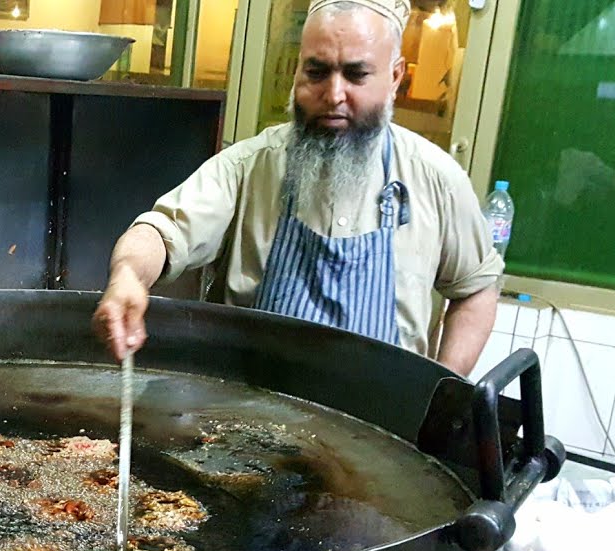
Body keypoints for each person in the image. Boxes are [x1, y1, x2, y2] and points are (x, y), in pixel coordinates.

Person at [92, 0, 503, 376]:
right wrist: (128, 274)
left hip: (382, 436)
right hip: (241, 423)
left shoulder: (434, 179)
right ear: (297, 71)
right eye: (317, 72)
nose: (334, 94)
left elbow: (477, 288)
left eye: (356, 74)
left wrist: (443, 392)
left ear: (395, 76)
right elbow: (159, 233)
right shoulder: (250, 167)